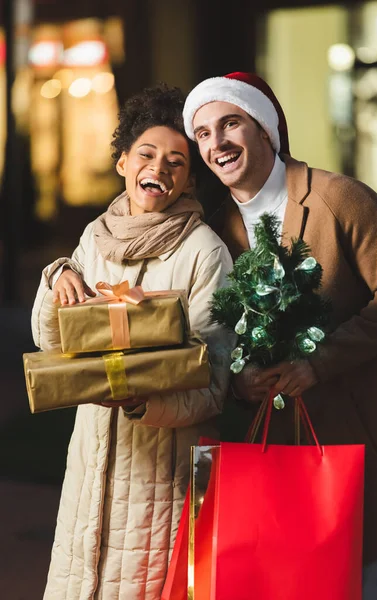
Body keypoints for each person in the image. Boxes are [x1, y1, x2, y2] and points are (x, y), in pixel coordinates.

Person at [183, 71, 377, 599]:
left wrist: (319, 361)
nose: (218, 143)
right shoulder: (214, 234)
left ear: (264, 129)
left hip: (358, 443)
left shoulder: (339, 198)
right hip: (272, 457)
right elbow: (217, 336)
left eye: (230, 123)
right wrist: (239, 381)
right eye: (204, 134)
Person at [31, 84, 234, 600]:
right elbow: (52, 343)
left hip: (161, 479)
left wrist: (146, 401)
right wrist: (58, 282)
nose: (159, 170)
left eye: (177, 162)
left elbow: (215, 382)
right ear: (123, 162)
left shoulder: (204, 252)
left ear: (190, 178)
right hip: (88, 472)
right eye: (147, 154)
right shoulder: (95, 237)